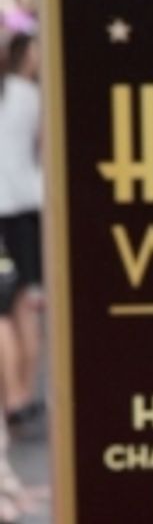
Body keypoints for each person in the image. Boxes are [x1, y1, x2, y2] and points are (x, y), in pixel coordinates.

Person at [0, 33, 43, 427]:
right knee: (24, 305)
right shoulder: (26, 95)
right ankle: (22, 393)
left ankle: (13, 396)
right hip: (23, 211)